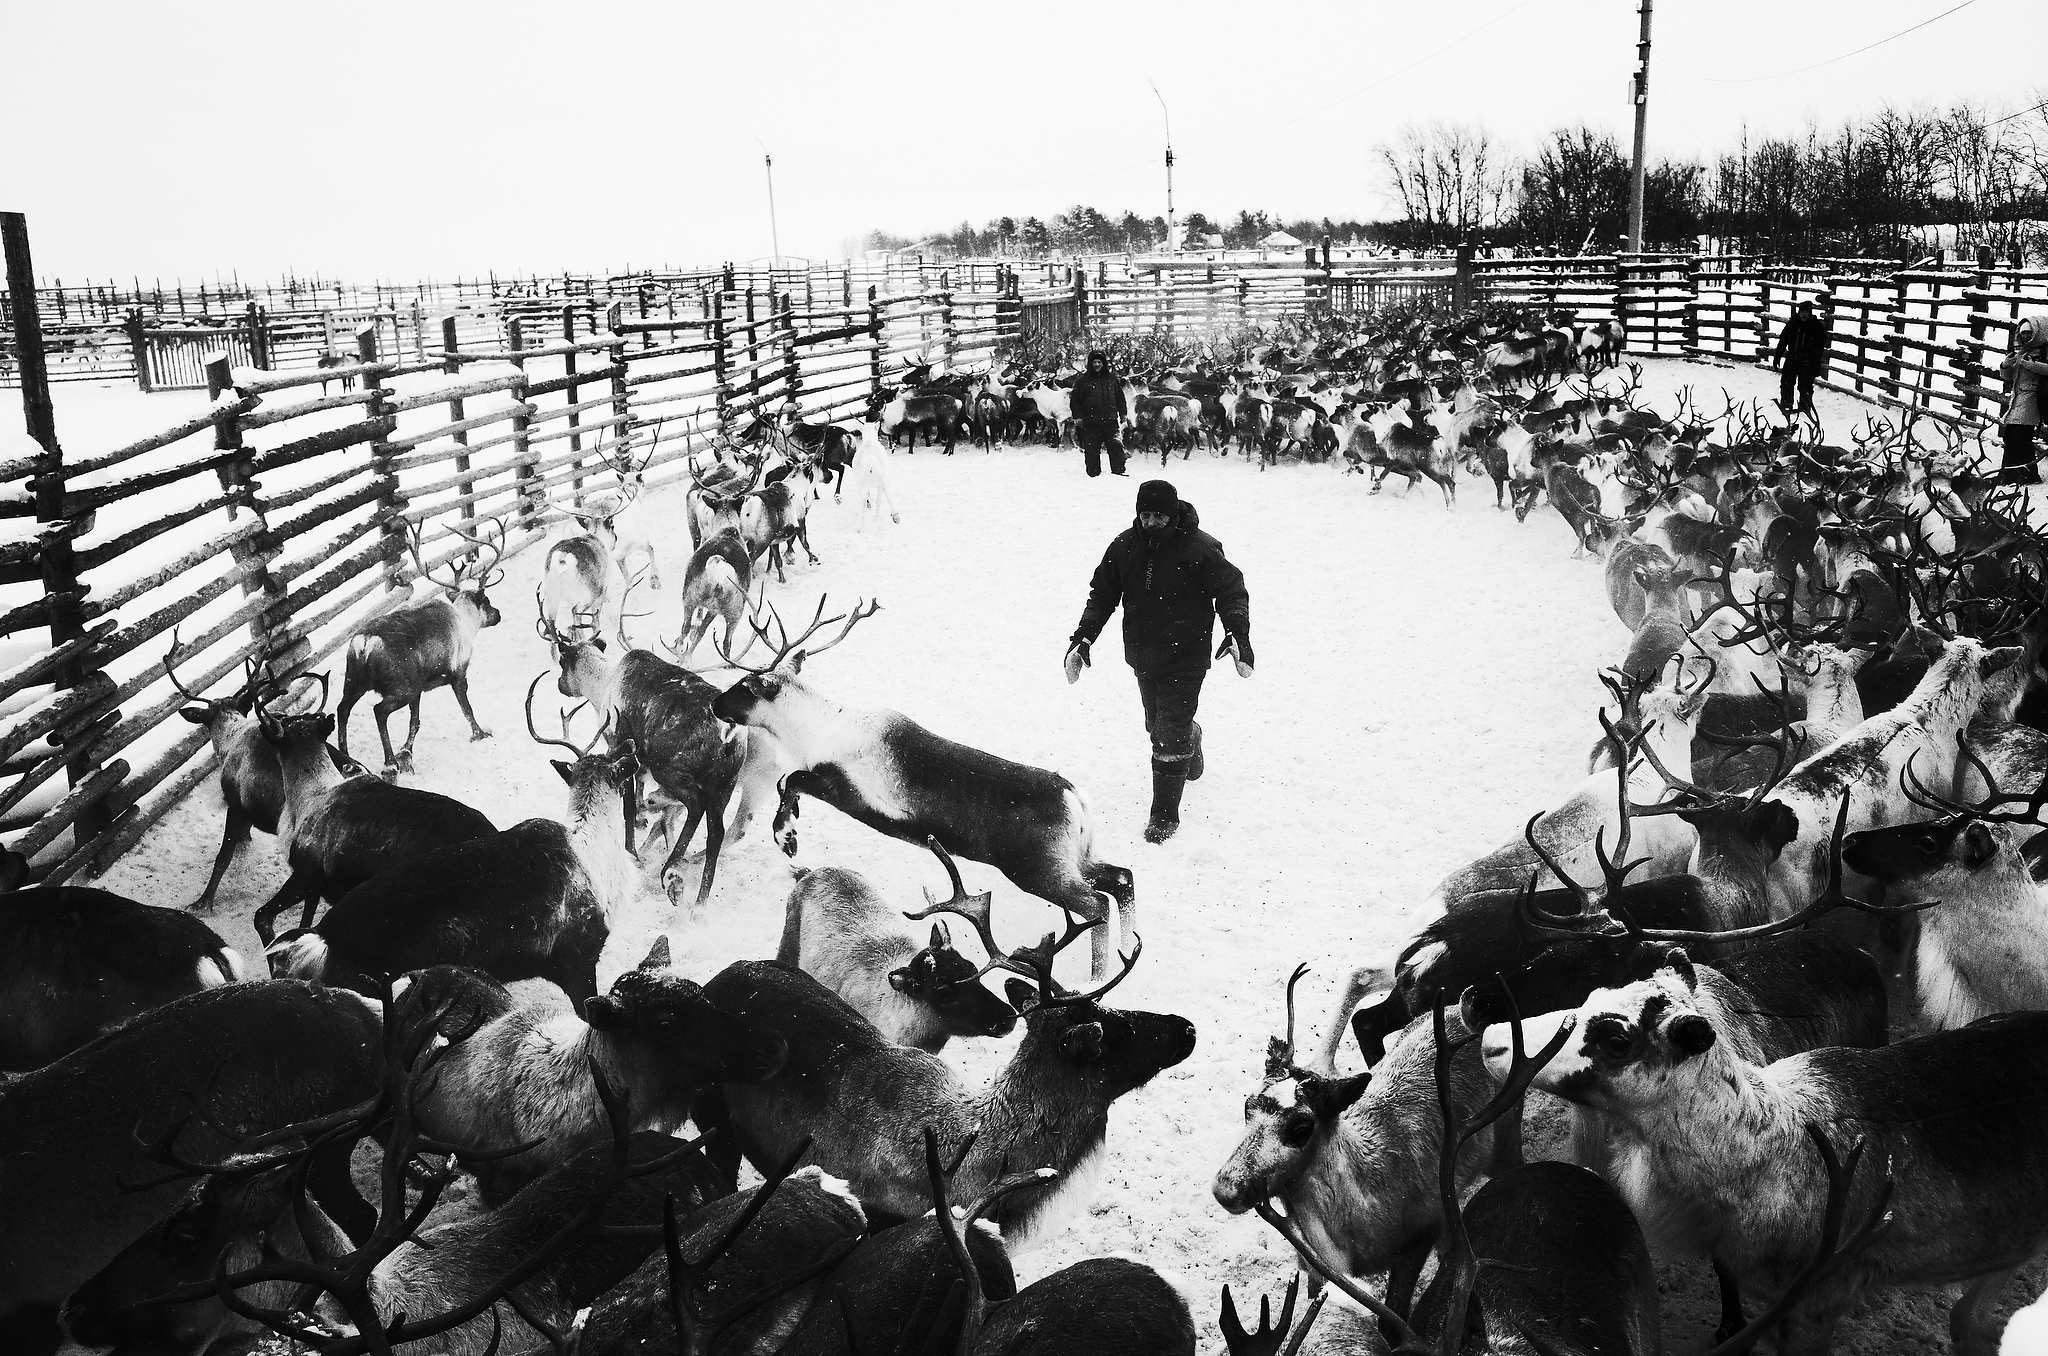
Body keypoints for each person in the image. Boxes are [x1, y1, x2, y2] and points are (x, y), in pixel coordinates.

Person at [1065, 478, 1251, 844]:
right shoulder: (1124, 547)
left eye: (1159, 516)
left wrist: (1236, 634)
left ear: (1173, 514)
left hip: (1188, 655)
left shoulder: (1202, 549)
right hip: (1143, 655)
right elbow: (1101, 596)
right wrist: (1082, 640)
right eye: (1145, 514)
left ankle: (1164, 816)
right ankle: (1192, 738)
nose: (1150, 522)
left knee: (1167, 736)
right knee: (1157, 726)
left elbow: (1231, 591)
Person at [1998, 313, 2048, 485]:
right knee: (2012, 436)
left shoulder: (2044, 350)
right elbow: (2008, 377)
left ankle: (2025, 475)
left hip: (2032, 399)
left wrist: (2033, 366)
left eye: (2029, 332)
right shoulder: (2021, 351)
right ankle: (2012, 474)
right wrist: (2006, 364)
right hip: (2018, 399)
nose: (2025, 336)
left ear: (2037, 332)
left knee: (2020, 437)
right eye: (2023, 333)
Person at [1070, 350, 1128, 477]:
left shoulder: (1112, 380)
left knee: (1116, 447)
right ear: (1090, 364)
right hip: (1091, 422)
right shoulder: (1082, 381)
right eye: (1094, 362)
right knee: (1091, 449)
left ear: (1103, 363)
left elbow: (1120, 397)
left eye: (1099, 362)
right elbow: (1075, 401)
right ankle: (1093, 474)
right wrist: (1078, 416)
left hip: (1110, 420)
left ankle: (1118, 472)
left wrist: (1123, 414)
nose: (1097, 364)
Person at [1772, 299, 1829, 415]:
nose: (1803, 314)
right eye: (1802, 312)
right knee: (1787, 382)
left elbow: (1819, 347)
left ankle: (1805, 406)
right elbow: (1783, 340)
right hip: (1792, 357)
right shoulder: (1792, 323)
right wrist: (1777, 357)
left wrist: (1814, 363)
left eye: (1806, 312)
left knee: (1805, 386)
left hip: (1807, 361)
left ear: (1810, 313)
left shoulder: (1816, 326)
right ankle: (1786, 404)